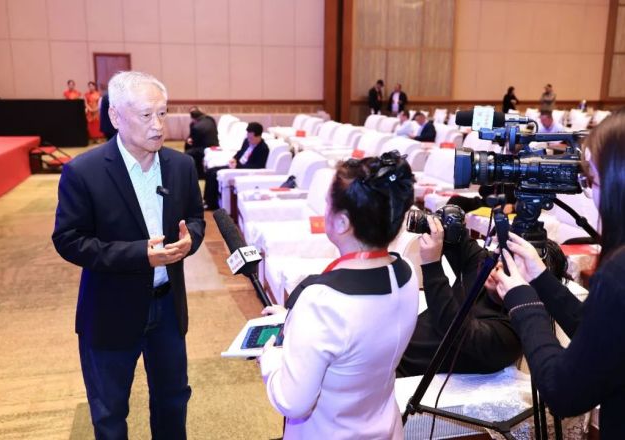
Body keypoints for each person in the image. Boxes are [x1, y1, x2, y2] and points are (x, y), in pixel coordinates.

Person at [52, 71, 205, 439]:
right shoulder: (83, 172)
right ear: (116, 117)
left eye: (163, 113)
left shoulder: (181, 166)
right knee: (109, 412)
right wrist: (139, 255)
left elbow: (196, 219)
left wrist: (191, 241)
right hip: (110, 309)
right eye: (146, 115)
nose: (158, 125)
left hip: (167, 307)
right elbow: (69, 239)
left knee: (172, 401)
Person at [258, 152, 420, 439]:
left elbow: (292, 402)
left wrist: (270, 357)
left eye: (327, 204)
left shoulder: (321, 302)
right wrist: (294, 319)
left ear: (343, 223)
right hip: (384, 429)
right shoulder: (405, 274)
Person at [493, 110, 625, 437]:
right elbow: (602, 335)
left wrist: (523, 303)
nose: (592, 195)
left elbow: (564, 393)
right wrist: (541, 279)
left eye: (592, 182)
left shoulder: (618, 273)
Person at [397, 221, 569, 377]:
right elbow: (459, 239)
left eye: (512, 266)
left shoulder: (510, 336)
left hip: (402, 373)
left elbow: (453, 328)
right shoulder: (488, 267)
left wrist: (432, 265)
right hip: (394, 345)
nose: (499, 266)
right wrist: (448, 222)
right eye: (503, 257)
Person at [202, 122, 268, 210]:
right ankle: (206, 200)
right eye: (248, 137)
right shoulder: (247, 141)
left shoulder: (263, 149)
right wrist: (234, 158)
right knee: (210, 171)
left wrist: (238, 166)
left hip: (242, 170)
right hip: (236, 165)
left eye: (251, 138)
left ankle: (211, 204)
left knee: (214, 174)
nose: (249, 140)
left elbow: (257, 166)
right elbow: (240, 152)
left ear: (258, 136)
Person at [184, 107, 219, 179]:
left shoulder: (196, 127)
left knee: (188, 152)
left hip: (205, 148)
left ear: (193, 118)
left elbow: (194, 143)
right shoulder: (210, 119)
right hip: (215, 146)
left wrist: (188, 142)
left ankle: (197, 174)